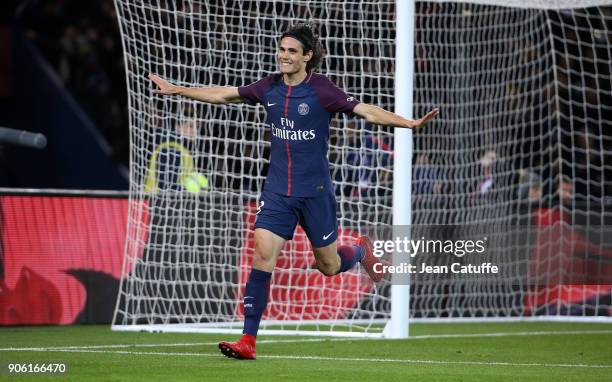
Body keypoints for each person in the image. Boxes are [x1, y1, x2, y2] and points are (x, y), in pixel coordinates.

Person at [149, 23, 439, 360]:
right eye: (282, 50)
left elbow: (367, 112)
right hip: (277, 194)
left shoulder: (322, 91)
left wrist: (408, 123)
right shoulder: (268, 87)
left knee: (329, 266)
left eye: (291, 51)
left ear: (307, 56)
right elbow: (223, 93)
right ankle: (248, 340)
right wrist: (177, 89)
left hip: (315, 193)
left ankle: (359, 252)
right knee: (262, 254)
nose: (284, 56)